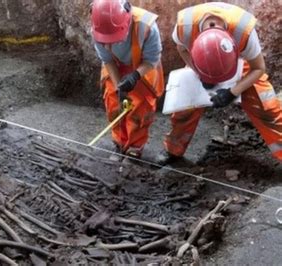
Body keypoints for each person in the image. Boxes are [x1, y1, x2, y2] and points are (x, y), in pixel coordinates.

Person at [158, 2, 282, 164]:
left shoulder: (243, 32)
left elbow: (258, 68)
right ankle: (173, 150)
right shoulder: (185, 27)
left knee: (267, 108)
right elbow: (182, 49)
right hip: (200, 62)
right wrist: (200, 73)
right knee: (185, 109)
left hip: (239, 63)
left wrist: (233, 92)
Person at [91, 0, 164, 158]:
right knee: (113, 103)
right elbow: (108, 60)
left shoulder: (147, 27)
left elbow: (152, 60)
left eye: (114, 38)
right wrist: (119, 87)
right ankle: (119, 142)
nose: (110, 44)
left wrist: (135, 76)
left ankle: (134, 147)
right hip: (115, 65)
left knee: (140, 106)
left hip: (143, 67)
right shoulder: (98, 28)